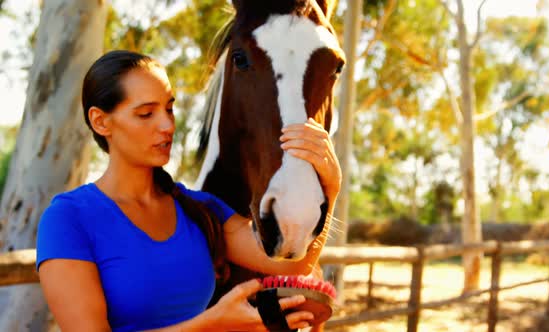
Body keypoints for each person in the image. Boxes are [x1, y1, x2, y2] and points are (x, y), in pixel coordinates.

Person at [36, 50, 342, 332]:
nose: (167, 125)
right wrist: (211, 324)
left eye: (169, 109)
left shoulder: (200, 210)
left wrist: (330, 188)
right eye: (146, 114)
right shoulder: (68, 219)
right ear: (101, 122)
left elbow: (293, 263)